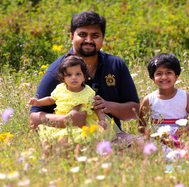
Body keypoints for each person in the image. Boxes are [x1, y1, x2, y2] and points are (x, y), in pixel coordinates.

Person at [29, 11, 140, 149]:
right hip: (69, 139)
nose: (88, 40)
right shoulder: (57, 70)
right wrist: (64, 121)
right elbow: (33, 119)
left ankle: (103, 157)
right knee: (64, 150)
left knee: (143, 145)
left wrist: (108, 106)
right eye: (82, 35)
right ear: (71, 36)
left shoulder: (116, 65)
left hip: (109, 137)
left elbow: (135, 110)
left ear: (103, 38)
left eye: (95, 35)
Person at [28, 54, 120, 146]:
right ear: (63, 77)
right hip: (63, 122)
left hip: (84, 123)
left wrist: (102, 120)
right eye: (69, 74)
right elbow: (51, 99)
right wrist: (38, 102)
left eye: (78, 74)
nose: (74, 77)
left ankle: (95, 155)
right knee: (56, 140)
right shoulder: (60, 89)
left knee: (90, 140)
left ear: (84, 76)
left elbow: (97, 107)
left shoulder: (88, 91)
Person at [138, 53, 189, 149]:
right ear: (153, 79)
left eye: (168, 73)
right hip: (158, 140)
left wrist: (186, 129)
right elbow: (141, 127)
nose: (164, 77)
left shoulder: (185, 96)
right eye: (159, 73)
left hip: (182, 139)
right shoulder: (149, 100)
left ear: (176, 76)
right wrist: (156, 136)